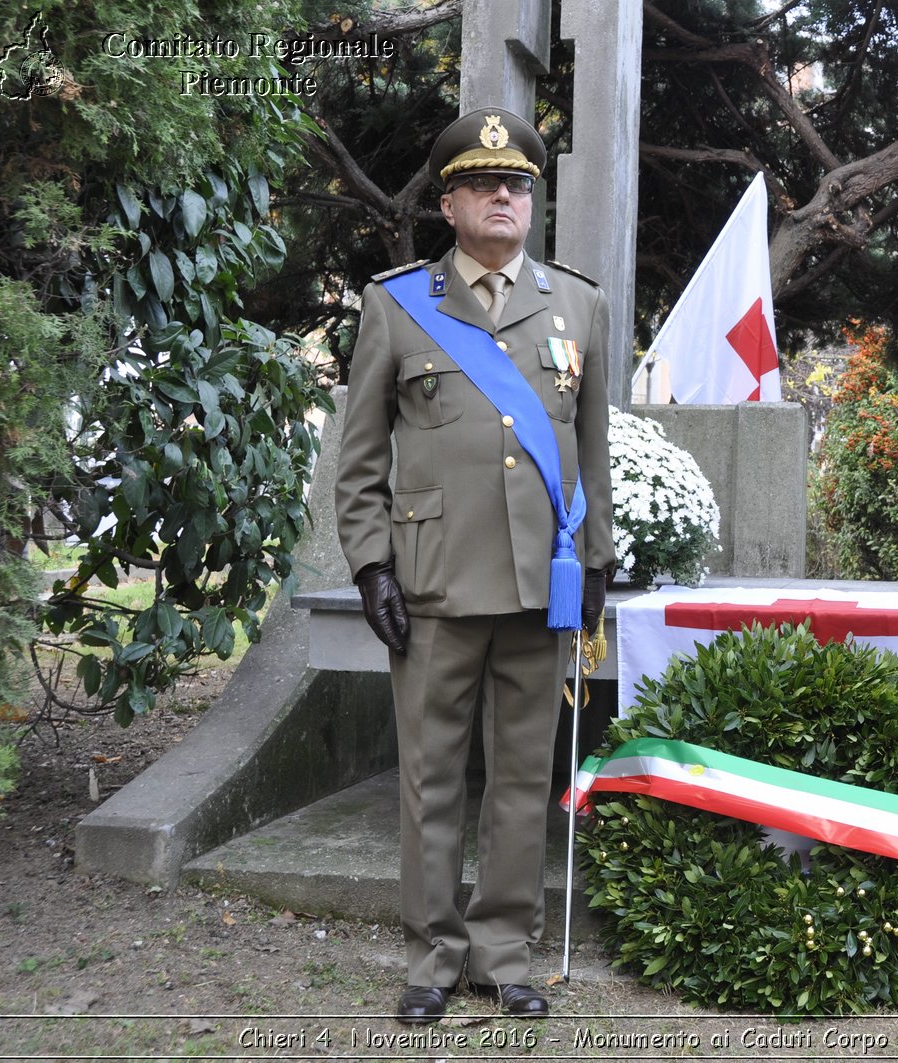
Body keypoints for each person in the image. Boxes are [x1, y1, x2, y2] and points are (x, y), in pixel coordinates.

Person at [334, 106, 614, 1025]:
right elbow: (362, 454)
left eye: (521, 185)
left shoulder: (579, 305)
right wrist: (372, 565)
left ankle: (502, 951)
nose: (507, 196)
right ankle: (432, 956)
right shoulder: (399, 303)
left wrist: (599, 560)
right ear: (450, 202)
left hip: (544, 583)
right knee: (432, 774)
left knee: (524, 775)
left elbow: (596, 450)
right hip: (435, 583)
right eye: (488, 184)